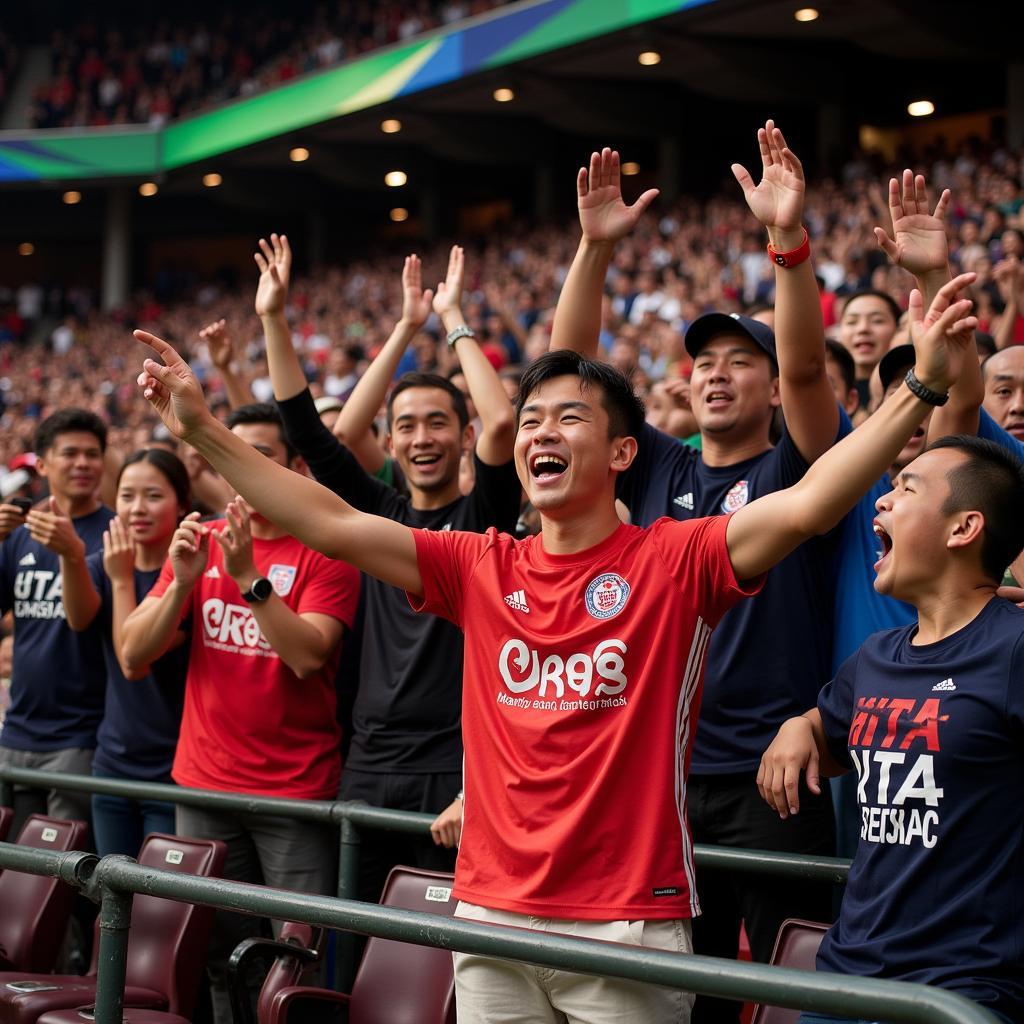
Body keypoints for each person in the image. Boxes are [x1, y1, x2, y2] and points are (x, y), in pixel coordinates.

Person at [133, 262, 974, 1023]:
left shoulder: (676, 558)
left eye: (568, 417)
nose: (539, 432)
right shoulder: (478, 564)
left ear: (621, 453)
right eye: (529, 418)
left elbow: (812, 501)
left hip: (627, 923)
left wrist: (922, 388)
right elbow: (335, 519)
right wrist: (203, 430)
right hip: (491, 915)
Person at [550, 125, 847, 1017]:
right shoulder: (663, 469)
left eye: (739, 363)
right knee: (686, 990)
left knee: (786, 986)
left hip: (774, 773)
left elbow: (804, 364)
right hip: (663, 771)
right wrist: (594, 251)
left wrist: (788, 249)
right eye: (703, 364)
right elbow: (568, 379)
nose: (717, 376)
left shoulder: (797, 464)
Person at [255, 235, 520, 901]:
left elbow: (503, 422)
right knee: (354, 946)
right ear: (392, 440)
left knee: (436, 961)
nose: (422, 438)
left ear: (461, 437)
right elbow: (319, 433)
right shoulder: (376, 515)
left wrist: (453, 320)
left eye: (438, 423)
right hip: (369, 761)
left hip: (452, 769)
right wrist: (276, 321)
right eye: (406, 426)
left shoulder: (484, 519)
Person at [758, 434, 1024, 1024]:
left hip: (959, 993)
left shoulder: (1015, 647)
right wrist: (798, 725)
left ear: (964, 528)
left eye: (906, 488)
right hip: (844, 979)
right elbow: (832, 736)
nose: (881, 499)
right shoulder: (876, 655)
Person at [121, 402, 360, 1021]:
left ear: (294, 467)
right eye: (239, 458)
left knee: (296, 958)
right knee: (216, 953)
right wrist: (179, 583)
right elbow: (132, 654)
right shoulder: (199, 540)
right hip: (204, 786)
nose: (248, 472)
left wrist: (250, 577)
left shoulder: (325, 546)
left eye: (265, 457)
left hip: (293, 794)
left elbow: (308, 656)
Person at [59, 449, 191, 857]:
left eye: (153, 496)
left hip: (172, 768)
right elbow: (77, 619)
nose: (138, 508)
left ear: (181, 504)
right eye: (127, 495)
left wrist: (121, 582)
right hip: (112, 762)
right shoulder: (106, 562)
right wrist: (72, 557)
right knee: (109, 897)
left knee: (160, 906)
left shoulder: (191, 570)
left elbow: (133, 659)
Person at [0, 408, 114, 832]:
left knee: (61, 876)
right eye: (70, 453)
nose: (82, 463)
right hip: (18, 729)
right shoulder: (18, 532)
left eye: (92, 454)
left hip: (82, 736)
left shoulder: (116, 531)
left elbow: (87, 620)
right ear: (44, 464)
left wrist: (73, 554)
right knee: (14, 873)